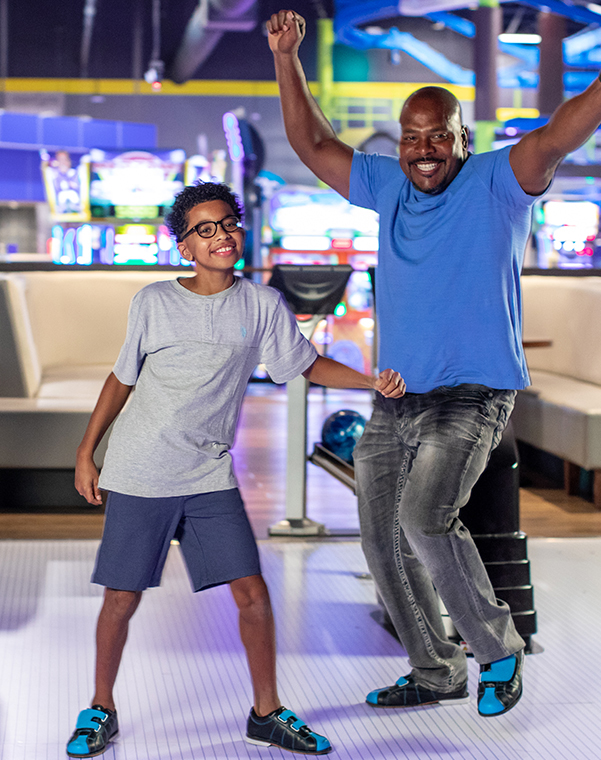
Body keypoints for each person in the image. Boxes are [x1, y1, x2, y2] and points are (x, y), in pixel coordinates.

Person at [267, 9, 601, 718]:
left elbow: (555, 135)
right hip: (396, 396)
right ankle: (435, 670)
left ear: (463, 138)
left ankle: (497, 650)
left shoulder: (500, 181)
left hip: (473, 396)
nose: (424, 149)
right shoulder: (387, 187)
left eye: (439, 135)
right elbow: (311, 140)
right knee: (382, 539)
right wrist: (287, 57)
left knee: (424, 518)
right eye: (412, 138)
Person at [66, 181, 405, 758]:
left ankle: (266, 713)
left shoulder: (261, 304)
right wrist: (85, 451)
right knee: (121, 598)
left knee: (252, 593)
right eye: (205, 229)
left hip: (207, 475)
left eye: (227, 224)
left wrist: (370, 378)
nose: (220, 236)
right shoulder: (152, 301)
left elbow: (306, 364)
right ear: (184, 247)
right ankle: (100, 707)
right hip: (141, 469)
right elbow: (121, 377)